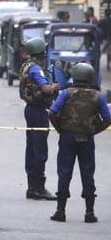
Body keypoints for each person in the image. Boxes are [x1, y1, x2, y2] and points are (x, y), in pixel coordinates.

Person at [48, 63, 111, 222]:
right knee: (88, 173)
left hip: (67, 137)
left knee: (64, 172)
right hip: (87, 139)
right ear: (90, 77)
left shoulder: (65, 93)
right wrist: (94, 131)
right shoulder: (98, 96)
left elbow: (52, 113)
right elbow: (108, 118)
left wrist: (60, 129)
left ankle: (60, 212)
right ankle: (89, 213)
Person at [19, 37, 60, 200]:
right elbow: (45, 89)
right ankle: (39, 188)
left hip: (30, 109)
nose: (45, 52)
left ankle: (31, 187)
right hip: (38, 110)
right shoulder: (36, 69)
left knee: (31, 147)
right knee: (40, 148)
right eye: (43, 50)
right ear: (40, 52)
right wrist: (55, 87)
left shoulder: (25, 66)